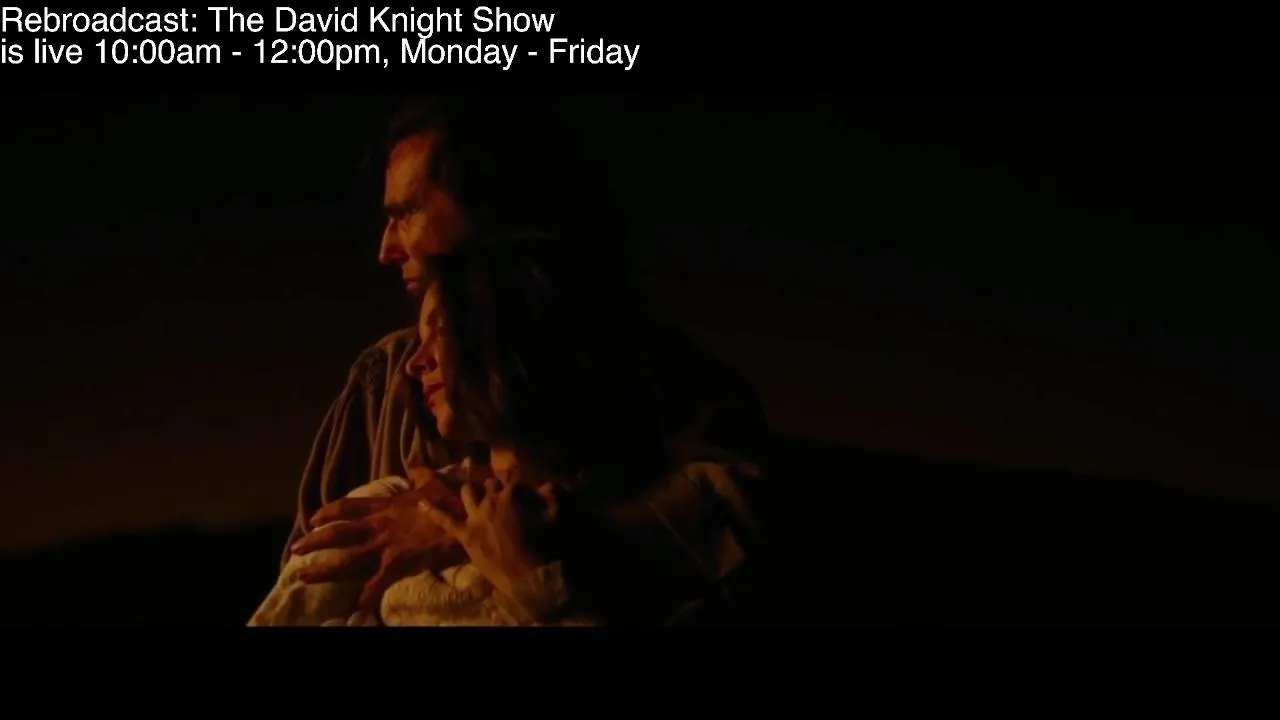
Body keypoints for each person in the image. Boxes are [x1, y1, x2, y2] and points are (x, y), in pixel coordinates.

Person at [281, 96, 770, 573]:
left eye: (406, 212)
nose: (386, 249)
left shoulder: (651, 370)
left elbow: (737, 516)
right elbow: (308, 570)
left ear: (487, 208)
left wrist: (480, 528)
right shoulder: (381, 383)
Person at [252, 237, 765, 625]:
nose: (414, 363)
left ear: (508, 343)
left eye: (440, 333)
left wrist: (530, 578)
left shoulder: (656, 533)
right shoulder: (385, 511)